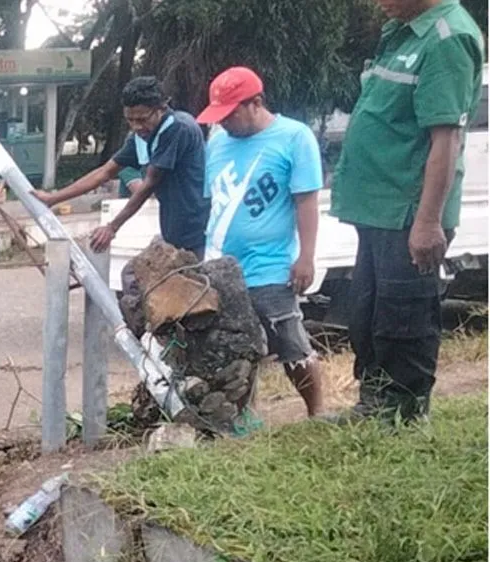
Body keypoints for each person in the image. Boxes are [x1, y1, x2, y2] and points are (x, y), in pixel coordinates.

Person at [331, 0, 484, 422]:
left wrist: (428, 221)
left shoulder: (447, 39)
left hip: (408, 212)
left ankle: (404, 412)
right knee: (367, 313)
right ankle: (374, 402)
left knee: (403, 316)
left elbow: (446, 140)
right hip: (378, 210)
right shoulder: (404, 32)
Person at [198, 66, 326, 419]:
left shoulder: (294, 137)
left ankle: (316, 413)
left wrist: (306, 257)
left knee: (289, 340)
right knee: (231, 349)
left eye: (230, 114)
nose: (224, 122)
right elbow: (215, 201)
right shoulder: (217, 142)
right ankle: (243, 418)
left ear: (255, 103)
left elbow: (306, 201)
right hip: (220, 265)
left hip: (269, 264)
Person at [34, 76, 211, 258]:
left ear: (162, 108)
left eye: (142, 119)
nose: (136, 127)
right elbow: (104, 172)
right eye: (130, 120)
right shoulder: (141, 136)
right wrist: (53, 198)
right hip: (173, 225)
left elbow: (150, 183)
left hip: (198, 227)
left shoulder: (178, 128)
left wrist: (112, 227)